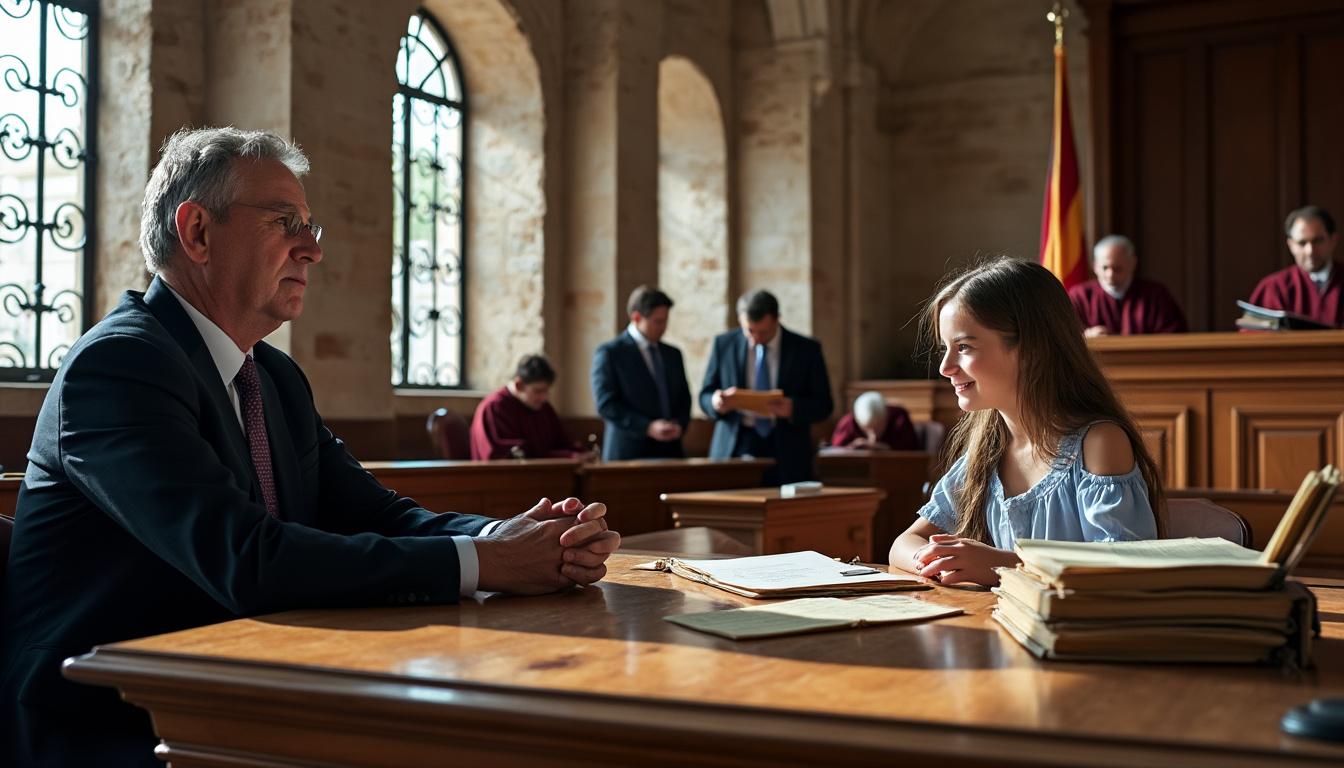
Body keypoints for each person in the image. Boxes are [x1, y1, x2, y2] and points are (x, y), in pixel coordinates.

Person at [0, 127, 620, 768]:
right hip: (105, 723)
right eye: (283, 221)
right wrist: (489, 565)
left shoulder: (274, 377)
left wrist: (508, 536)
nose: (311, 249)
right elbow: (247, 560)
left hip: (232, 689)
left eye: (311, 226)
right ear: (197, 233)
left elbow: (378, 513)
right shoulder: (121, 365)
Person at [889, 257, 1163, 587]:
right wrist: (941, 561)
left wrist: (1003, 566)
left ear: (1032, 349)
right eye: (945, 349)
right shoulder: (987, 453)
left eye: (964, 347)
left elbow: (1126, 570)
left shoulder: (1099, 444)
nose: (945, 367)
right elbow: (902, 545)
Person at [700, 290, 834, 485]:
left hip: (787, 449)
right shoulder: (724, 344)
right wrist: (715, 402)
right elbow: (704, 395)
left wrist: (793, 408)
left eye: (763, 332)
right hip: (736, 444)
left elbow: (824, 404)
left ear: (776, 320)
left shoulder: (806, 349)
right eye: (749, 331)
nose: (755, 339)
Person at [589, 285, 692, 460]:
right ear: (636, 318)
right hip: (629, 451)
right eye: (658, 321)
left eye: (666, 320)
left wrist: (679, 425)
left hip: (670, 451)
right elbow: (606, 404)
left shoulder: (673, 354)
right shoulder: (611, 353)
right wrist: (648, 427)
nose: (664, 327)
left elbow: (684, 397)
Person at [470, 354, 595, 461]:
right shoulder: (495, 407)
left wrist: (582, 453)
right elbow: (509, 455)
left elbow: (561, 441)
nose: (544, 397)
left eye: (546, 391)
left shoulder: (543, 408)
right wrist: (569, 456)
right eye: (538, 391)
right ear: (519, 385)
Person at [1067, 235, 1187, 336]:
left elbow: (1175, 335)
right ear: (1095, 266)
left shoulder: (1156, 295)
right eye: (1105, 268)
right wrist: (1086, 336)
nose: (1110, 274)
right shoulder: (1080, 296)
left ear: (1132, 264)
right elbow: (1065, 336)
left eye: (1117, 269)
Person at [1248, 205, 1343, 328]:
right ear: (1291, 245)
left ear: (1333, 240)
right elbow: (1253, 337)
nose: (1310, 251)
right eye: (1302, 243)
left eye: (1318, 241)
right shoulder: (1274, 288)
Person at [829, 391, 919, 451]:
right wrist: (852, 448)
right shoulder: (848, 422)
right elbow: (835, 451)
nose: (873, 437)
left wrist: (885, 449)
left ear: (886, 416)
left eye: (878, 427)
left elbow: (912, 452)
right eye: (867, 430)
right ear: (857, 421)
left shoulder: (899, 418)